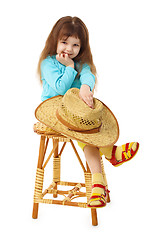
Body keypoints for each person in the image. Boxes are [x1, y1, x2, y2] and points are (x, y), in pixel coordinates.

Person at [37, 16, 139, 208]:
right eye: (64, 42)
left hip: (76, 113)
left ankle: (99, 184)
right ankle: (110, 153)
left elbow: (88, 74)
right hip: (54, 110)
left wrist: (85, 86)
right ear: (55, 41)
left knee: (87, 124)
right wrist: (69, 68)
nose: (69, 49)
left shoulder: (81, 63)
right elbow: (60, 88)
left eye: (75, 45)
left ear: (81, 47)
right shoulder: (48, 63)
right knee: (85, 132)